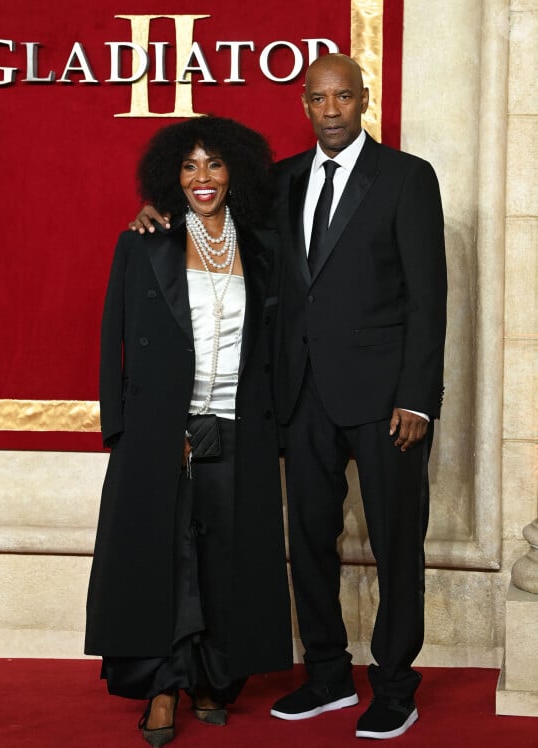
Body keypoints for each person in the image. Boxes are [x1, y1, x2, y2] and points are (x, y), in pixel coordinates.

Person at [131, 53, 447, 741]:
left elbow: (429, 296)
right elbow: (211, 216)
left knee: (397, 548)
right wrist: (155, 213)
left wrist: (418, 399)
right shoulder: (280, 181)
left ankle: (394, 687)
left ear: (363, 100)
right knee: (308, 545)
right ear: (304, 105)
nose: (330, 110)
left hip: (385, 401)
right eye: (318, 99)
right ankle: (328, 676)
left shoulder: (406, 178)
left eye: (342, 97)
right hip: (299, 398)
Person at [85, 116, 292, 747]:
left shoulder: (261, 246)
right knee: (165, 559)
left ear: (236, 172)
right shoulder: (145, 240)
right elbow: (112, 338)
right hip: (161, 429)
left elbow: (275, 340)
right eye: (189, 166)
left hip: (237, 425)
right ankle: (161, 688)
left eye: (215, 165)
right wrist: (129, 430)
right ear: (171, 175)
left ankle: (211, 677)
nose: (202, 179)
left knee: (224, 557)